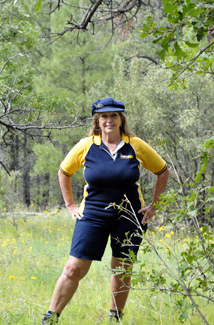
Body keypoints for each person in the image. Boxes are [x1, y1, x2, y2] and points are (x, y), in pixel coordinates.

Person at [42, 98, 170, 324]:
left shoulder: (135, 145)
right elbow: (64, 172)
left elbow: (162, 170)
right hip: (92, 215)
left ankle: (115, 318)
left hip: (130, 217)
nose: (109, 120)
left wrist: (155, 204)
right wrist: (71, 206)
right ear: (97, 121)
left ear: (121, 119)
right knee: (73, 268)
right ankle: (50, 318)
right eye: (104, 116)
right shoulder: (86, 145)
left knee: (122, 269)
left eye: (114, 116)